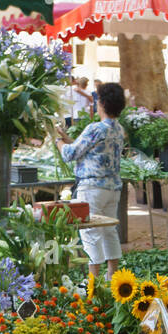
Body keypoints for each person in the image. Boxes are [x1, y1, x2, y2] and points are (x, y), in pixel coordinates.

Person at [57, 81, 126, 277]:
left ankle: (93, 283)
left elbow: (70, 154)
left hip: (92, 188)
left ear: (102, 103)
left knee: (90, 233)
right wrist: (66, 139)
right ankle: (113, 276)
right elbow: (89, 151)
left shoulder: (96, 128)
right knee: (109, 230)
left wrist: (58, 141)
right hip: (112, 188)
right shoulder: (118, 129)